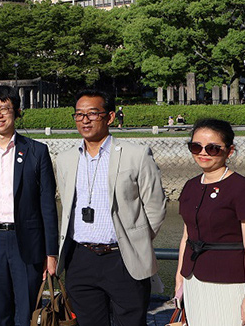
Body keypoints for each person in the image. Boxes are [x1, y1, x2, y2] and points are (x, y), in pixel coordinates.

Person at [54, 89, 166, 326]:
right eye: (79, 114)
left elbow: (155, 206)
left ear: (110, 117)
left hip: (123, 257)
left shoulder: (136, 155)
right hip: (80, 258)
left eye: (93, 114)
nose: (85, 120)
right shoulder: (65, 159)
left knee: (131, 322)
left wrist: (136, 240)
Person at [0, 86, 57, 326]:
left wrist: (51, 253)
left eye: (4, 108)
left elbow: (47, 205)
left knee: (27, 311)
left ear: (16, 111)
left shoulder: (37, 151)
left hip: (26, 242)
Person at [175, 119, 245, 326]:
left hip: (229, 281)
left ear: (229, 151)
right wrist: (179, 277)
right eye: (196, 147)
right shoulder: (190, 186)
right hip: (193, 279)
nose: (203, 153)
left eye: (212, 148)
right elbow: (187, 236)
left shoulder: (244, 189)